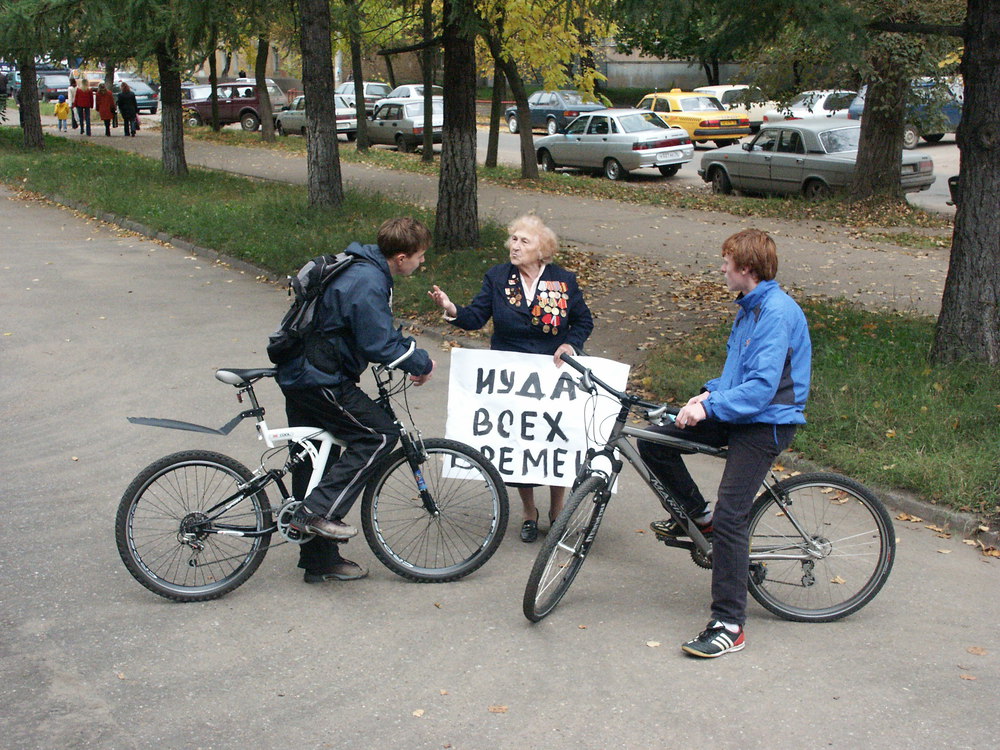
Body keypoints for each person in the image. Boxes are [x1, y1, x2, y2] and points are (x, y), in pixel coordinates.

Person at [638, 228, 811, 659]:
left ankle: (730, 624)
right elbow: (736, 376)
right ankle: (698, 517)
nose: (721, 268)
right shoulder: (749, 308)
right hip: (739, 410)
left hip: (765, 422)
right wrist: (706, 394)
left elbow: (761, 390)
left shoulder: (775, 313)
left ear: (746, 269)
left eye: (727, 261)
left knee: (735, 517)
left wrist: (712, 407)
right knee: (655, 441)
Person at [278, 217, 436, 584]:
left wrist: (403, 348)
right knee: (379, 434)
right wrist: (420, 362)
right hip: (320, 378)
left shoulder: (359, 266)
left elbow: (373, 329)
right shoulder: (367, 280)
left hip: (302, 372)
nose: (422, 262)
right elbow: (378, 344)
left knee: (316, 459)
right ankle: (316, 513)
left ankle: (320, 560)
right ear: (400, 257)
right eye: (420, 256)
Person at [428, 214, 593, 543]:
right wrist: (452, 308)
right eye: (513, 240)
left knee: (553, 442)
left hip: (552, 374)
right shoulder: (498, 277)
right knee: (521, 445)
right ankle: (529, 511)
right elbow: (476, 317)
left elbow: (583, 321)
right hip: (511, 375)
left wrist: (570, 344)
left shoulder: (564, 281)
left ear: (542, 249)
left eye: (523, 241)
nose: (515, 246)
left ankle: (557, 511)